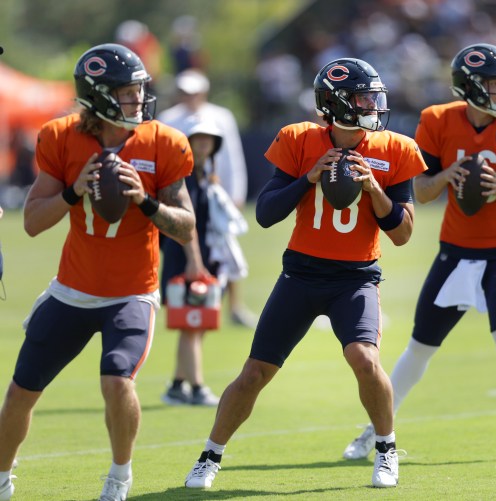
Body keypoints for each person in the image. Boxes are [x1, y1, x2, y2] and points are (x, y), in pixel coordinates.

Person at [182, 57, 427, 491]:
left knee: (365, 359)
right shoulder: (298, 140)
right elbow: (265, 213)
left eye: (373, 95)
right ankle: (210, 456)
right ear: (336, 105)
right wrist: (308, 179)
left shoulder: (396, 148)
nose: (373, 103)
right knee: (255, 372)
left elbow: (403, 234)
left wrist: (374, 190)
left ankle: (386, 450)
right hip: (301, 275)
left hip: (356, 278)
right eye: (362, 97)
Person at [342, 43, 496, 462]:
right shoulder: (437, 120)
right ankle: (376, 426)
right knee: (420, 346)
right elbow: (421, 192)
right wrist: (446, 175)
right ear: (472, 87)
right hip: (457, 250)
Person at [0, 43, 195, 501]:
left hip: (131, 292)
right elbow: (31, 222)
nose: (139, 100)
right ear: (100, 96)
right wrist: (73, 191)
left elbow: (185, 228)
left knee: (116, 379)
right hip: (72, 290)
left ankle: (119, 476)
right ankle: (2, 479)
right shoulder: (60, 136)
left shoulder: (164, 142)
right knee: (20, 392)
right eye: (128, 92)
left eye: (139, 90)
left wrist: (145, 201)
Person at [157, 69, 256, 327]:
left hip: (215, 192)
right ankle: (177, 298)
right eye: (186, 92)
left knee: (225, 246)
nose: (190, 97)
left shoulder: (221, 116)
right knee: (177, 246)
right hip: (181, 189)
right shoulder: (169, 117)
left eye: (195, 92)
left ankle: (234, 306)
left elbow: (232, 157)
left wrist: (236, 194)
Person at [160, 119, 227, 407]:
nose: (203, 144)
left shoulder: (204, 176)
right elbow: (185, 226)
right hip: (184, 258)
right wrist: (193, 260)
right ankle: (197, 387)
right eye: (197, 138)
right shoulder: (183, 175)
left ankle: (177, 384)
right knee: (191, 324)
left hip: (201, 258)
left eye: (208, 139)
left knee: (194, 325)